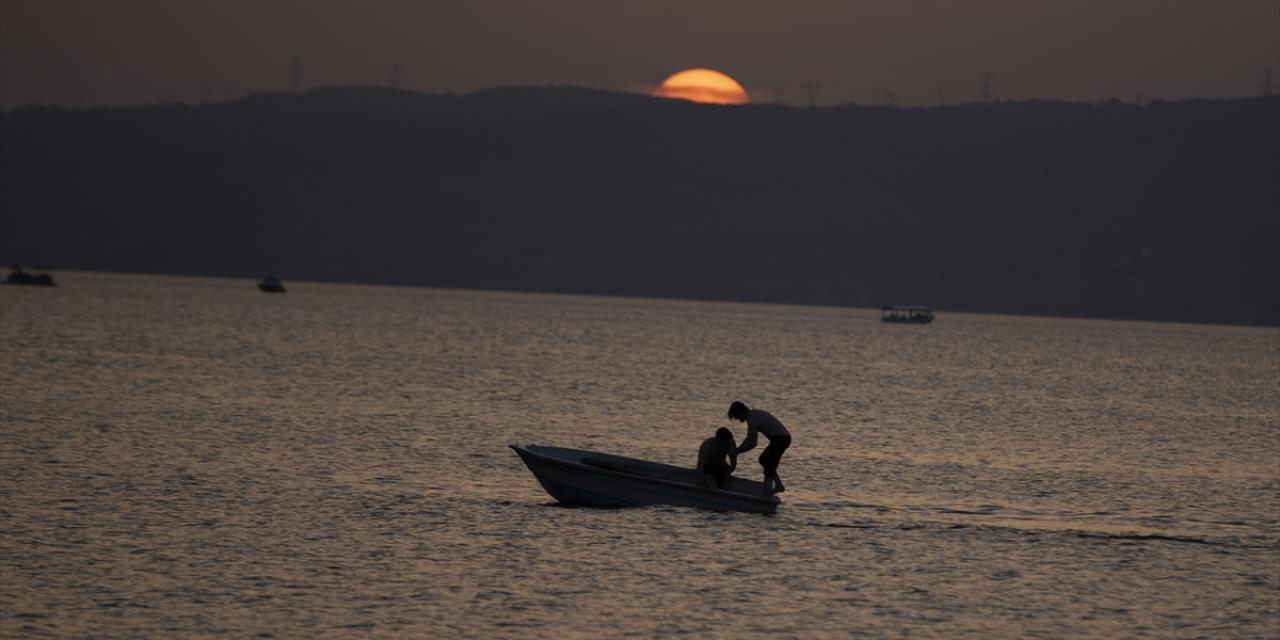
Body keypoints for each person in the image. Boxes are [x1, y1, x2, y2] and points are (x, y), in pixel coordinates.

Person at [728, 400, 791, 496]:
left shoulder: (753, 419)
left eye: (736, 416)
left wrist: (736, 452)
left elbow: (753, 443)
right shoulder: (753, 416)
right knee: (763, 460)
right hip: (779, 439)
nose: (737, 419)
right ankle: (778, 485)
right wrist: (737, 450)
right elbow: (748, 439)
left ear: (740, 412)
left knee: (769, 466)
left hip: (781, 440)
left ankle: (766, 495)